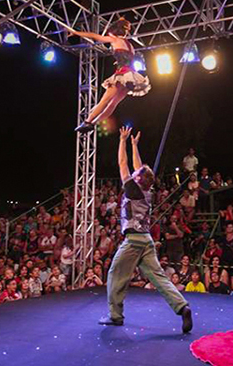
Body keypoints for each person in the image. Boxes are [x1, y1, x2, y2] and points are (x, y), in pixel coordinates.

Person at [99, 127, 192, 333]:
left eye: (137, 174)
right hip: (147, 241)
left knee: (115, 274)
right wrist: (135, 145)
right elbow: (139, 167)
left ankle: (115, 316)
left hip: (133, 241)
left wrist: (122, 141)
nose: (134, 173)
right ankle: (182, 307)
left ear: (139, 179)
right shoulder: (147, 190)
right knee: (158, 277)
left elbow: (123, 164)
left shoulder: (133, 189)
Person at [72, 19, 151, 133]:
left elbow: (94, 36)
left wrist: (76, 32)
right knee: (112, 104)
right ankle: (92, 123)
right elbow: (127, 59)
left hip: (122, 74)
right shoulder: (130, 45)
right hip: (131, 76)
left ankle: (88, 121)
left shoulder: (114, 39)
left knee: (105, 101)